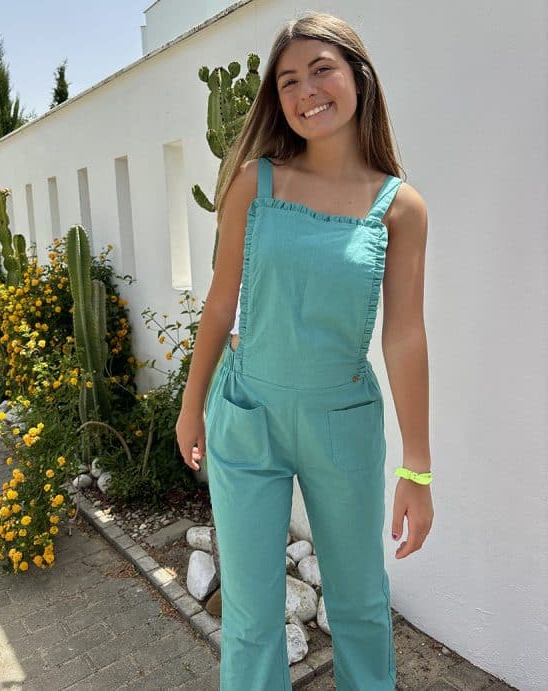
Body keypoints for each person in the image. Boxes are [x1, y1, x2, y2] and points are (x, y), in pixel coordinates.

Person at [176, 11, 434, 690]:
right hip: (245, 410)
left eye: (322, 69)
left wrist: (420, 467)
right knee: (252, 617)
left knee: (360, 605)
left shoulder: (399, 206)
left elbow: (405, 333)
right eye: (288, 79)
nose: (305, 90)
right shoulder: (253, 183)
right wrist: (191, 400)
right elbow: (220, 302)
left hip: (342, 419)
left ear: (358, 78)